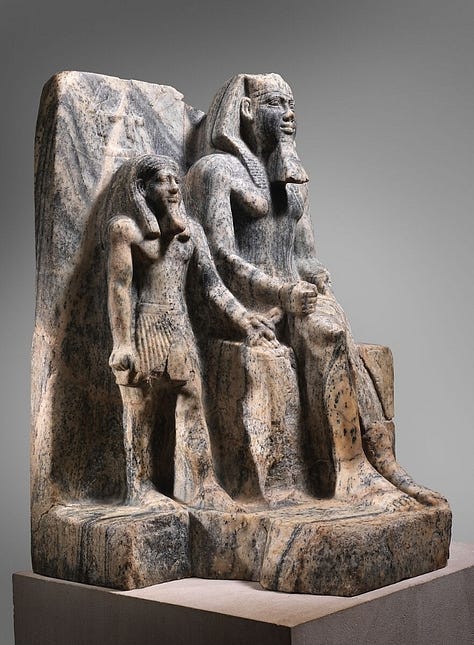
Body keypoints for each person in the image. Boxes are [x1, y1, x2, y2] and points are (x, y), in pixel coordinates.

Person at [184, 73, 443, 505]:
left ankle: (383, 462)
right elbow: (221, 260)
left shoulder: (292, 180)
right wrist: (281, 293)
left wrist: (317, 276)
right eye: (275, 103)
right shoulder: (216, 171)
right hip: (245, 307)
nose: (289, 114)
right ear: (246, 110)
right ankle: (351, 471)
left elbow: (304, 256)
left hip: (294, 298)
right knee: (327, 333)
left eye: (291, 105)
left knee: (336, 328)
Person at [103, 153, 277, 508]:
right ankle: (141, 487)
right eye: (162, 181)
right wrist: (122, 343)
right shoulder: (126, 229)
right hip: (144, 327)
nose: (172, 187)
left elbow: (211, 285)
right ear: (143, 188)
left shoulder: (191, 232)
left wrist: (244, 318)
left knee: (193, 401)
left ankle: (204, 483)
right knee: (141, 408)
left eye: (175, 180)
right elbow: (119, 286)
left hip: (179, 327)